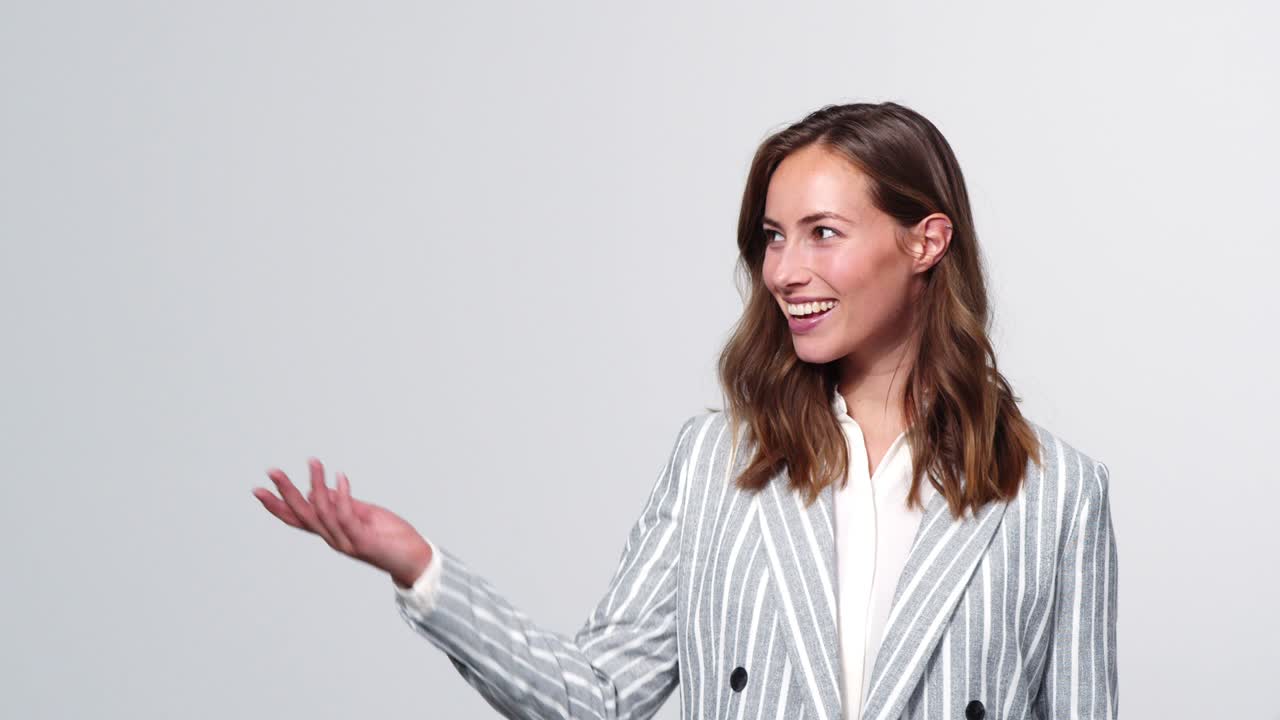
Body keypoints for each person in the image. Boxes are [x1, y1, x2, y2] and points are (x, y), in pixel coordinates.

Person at [253, 101, 1118, 720]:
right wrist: (420, 569)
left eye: (822, 232)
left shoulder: (1057, 492)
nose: (784, 271)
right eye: (772, 237)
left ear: (924, 241)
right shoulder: (719, 462)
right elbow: (597, 697)